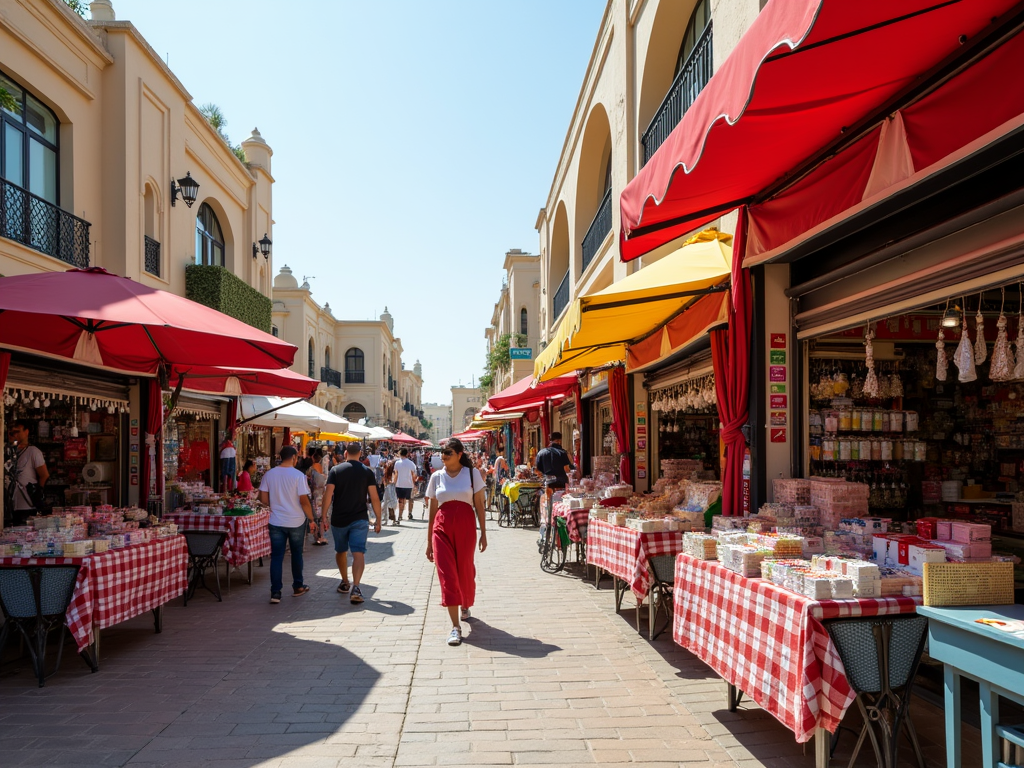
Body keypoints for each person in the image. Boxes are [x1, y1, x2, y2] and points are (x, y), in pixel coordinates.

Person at [425, 438, 487, 647]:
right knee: (447, 574)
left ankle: (465, 604)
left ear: (459, 454)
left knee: (465, 571)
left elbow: (479, 505)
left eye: (448, 453)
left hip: (466, 526)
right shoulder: (436, 477)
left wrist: (484, 533)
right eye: (441, 453)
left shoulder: (472, 474)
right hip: (441, 528)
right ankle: (455, 627)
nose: (443, 457)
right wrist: (428, 542)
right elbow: (432, 510)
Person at [321, 442, 382, 604]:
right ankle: (356, 586)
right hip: (360, 518)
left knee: (340, 551)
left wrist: (323, 517)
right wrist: (378, 519)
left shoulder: (335, 470)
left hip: (339, 518)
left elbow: (328, 495)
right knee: (358, 553)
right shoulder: (367, 472)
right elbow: (374, 497)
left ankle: (345, 581)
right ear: (360, 453)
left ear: (346, 452)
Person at [258, 445, 316, 604]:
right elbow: (304, 501)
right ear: (294, 457)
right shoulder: (298, 475)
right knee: (296, 555)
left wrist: (275, 504)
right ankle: (298, 586)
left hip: (276, 521)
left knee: (277, 557)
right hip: (296, 520)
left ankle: (275, 592)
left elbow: (263, 500)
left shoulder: (269, 474)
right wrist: (311, 519)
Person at [7, 420, 49, 526]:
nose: (15, 435)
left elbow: (44, 475)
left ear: (26, 432)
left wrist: (38, 493)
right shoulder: (9, 451)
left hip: (26, 502)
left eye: (18, 431)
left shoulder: (33, 451)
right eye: (12, 432)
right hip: (10, 501)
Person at [308, 449, 329, 545]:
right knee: (321, 517)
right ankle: (321, 536)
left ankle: (317, 536)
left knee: (316, 516)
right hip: (321, 495)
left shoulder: (311, 469)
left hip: (315, 495)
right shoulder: (321, 468)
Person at [394, 447, 417, 521]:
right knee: (410, 499)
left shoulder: (397, 463)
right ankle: (409, 513)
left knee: (401, 500)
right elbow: (413, 475)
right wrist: (414, 484)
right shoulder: (411, 463)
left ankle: (400, 515)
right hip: (409, 484)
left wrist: (394, 483)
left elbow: (396, 474)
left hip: (399, 484)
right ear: (407, 454)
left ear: (400, 453)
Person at [382, 457, 399, 525]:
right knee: (391, 503)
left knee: (386, 503)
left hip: (387, 487)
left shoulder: (388, 469)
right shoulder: (394, 471)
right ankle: (392, 519)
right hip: (392, 487)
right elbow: (394, 480)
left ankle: (386, 519)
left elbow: (385, 480)